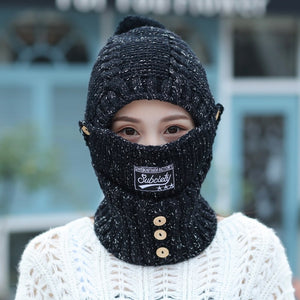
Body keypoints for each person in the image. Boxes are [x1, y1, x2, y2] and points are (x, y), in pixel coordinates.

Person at [15, 15, 295, 299]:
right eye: (128, 131)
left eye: (173, 129)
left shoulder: (254, 251)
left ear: (207, 131)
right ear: (94, 138)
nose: (151, 149)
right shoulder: (52, 261)